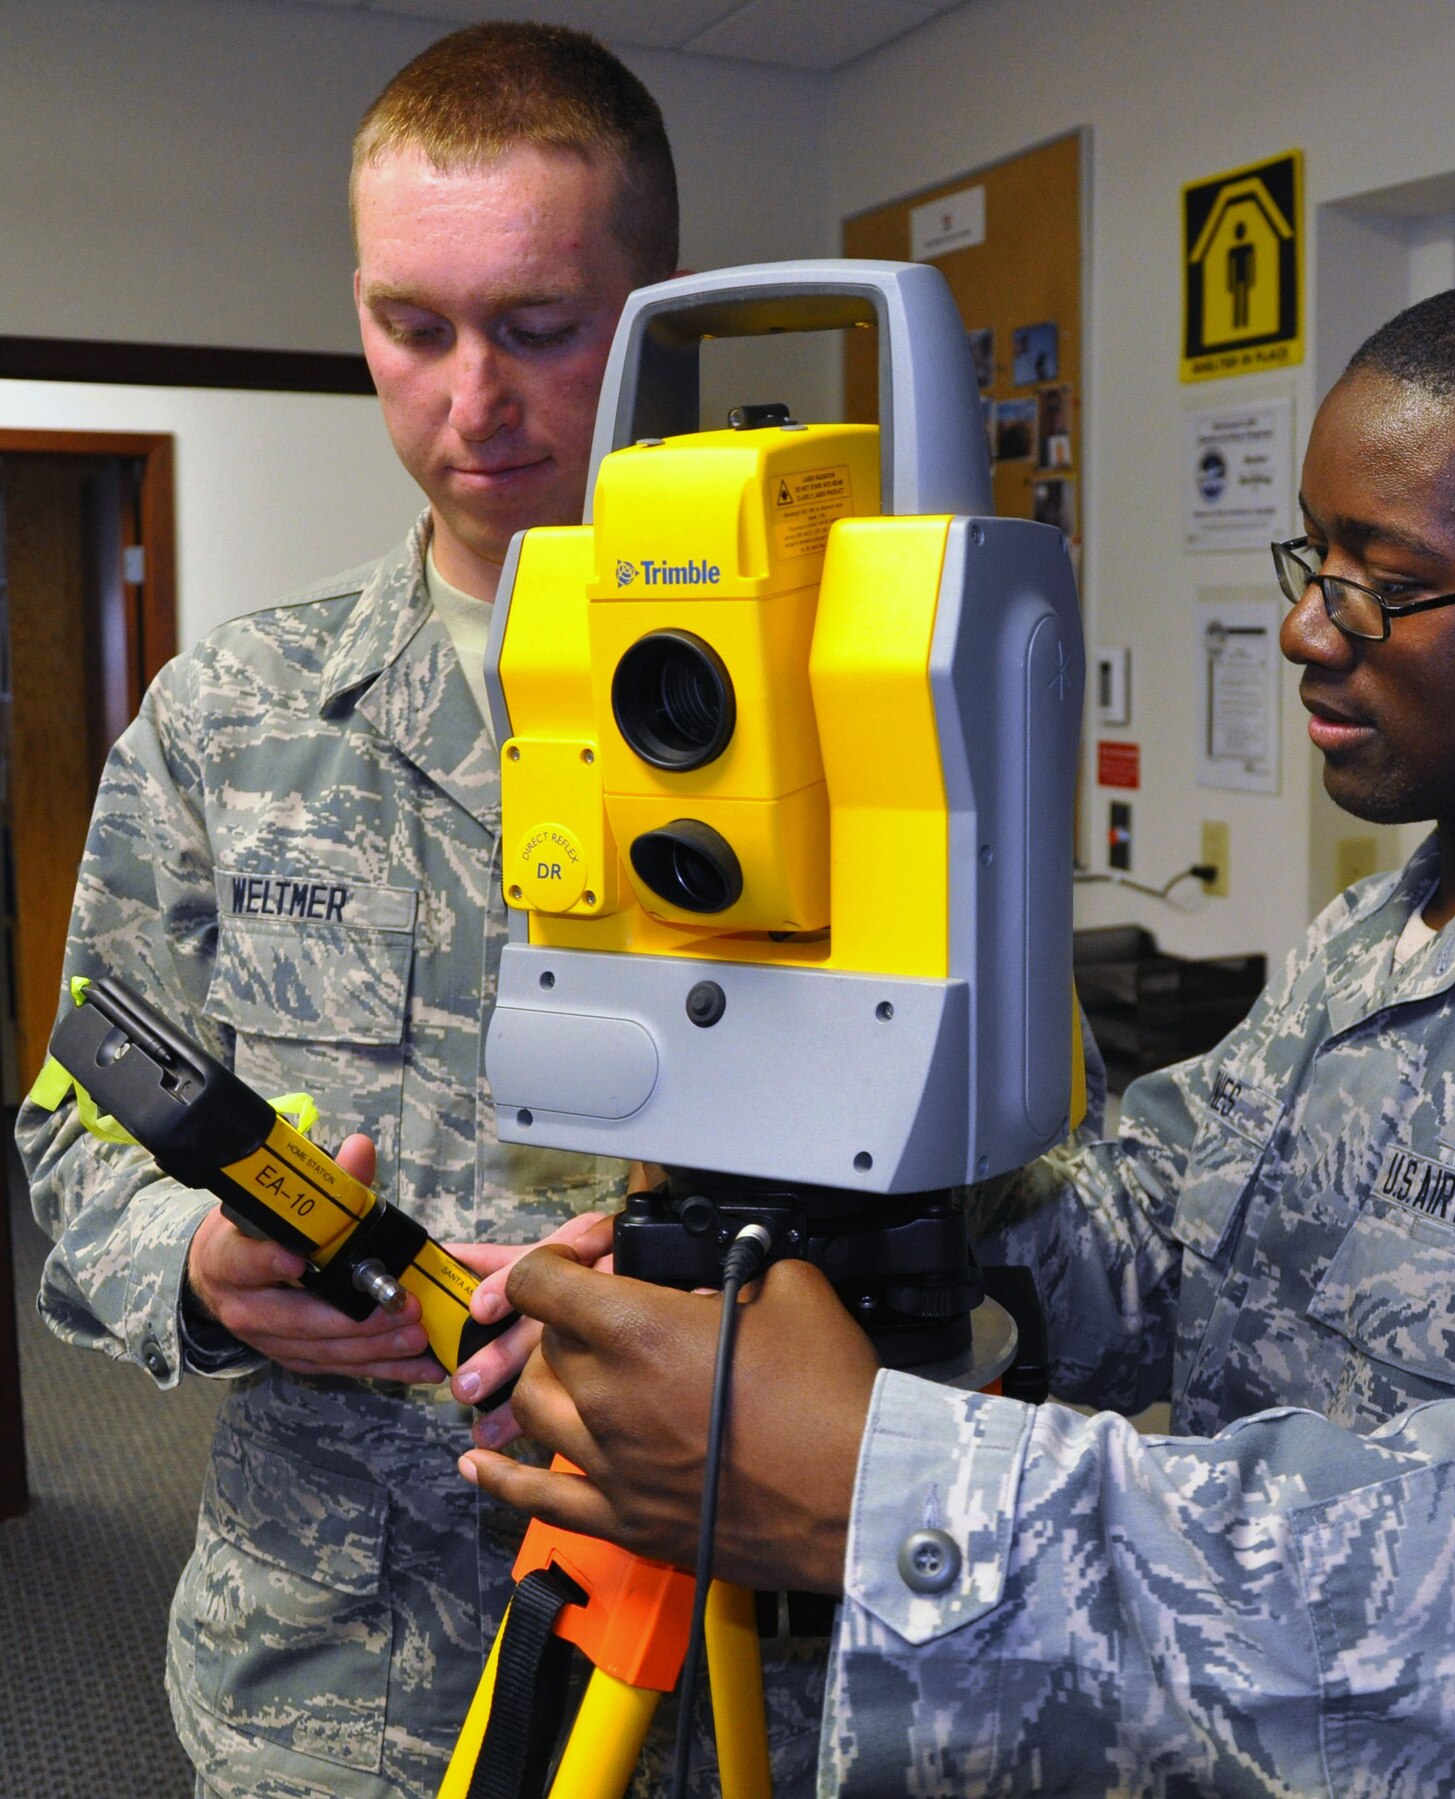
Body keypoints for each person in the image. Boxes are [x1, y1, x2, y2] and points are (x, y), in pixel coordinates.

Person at [463, 266, 1455, 1796]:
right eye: (1310, 558)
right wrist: (817, 1255)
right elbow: (1145, 1244)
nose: (1305, 630)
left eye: (1381, 581)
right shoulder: (1379, 938)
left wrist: (888, 1483)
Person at [15, 23, 823, 1799]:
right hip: (330, 1665)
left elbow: (1013, 1197)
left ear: (654, 311)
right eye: (412, 326)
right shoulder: (232, 715)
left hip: (727, 1648)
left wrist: (753, 1296)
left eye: (539, 327)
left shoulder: (844, 690)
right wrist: (211, 1277)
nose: (473, 399)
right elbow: (78, 1134)